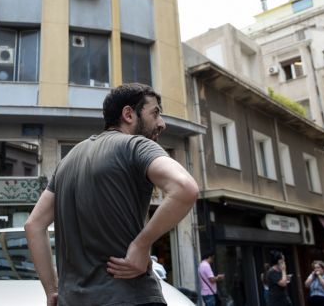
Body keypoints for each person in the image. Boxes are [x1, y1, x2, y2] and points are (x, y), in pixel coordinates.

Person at [25, 83, 199, 306]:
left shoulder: (67, 161)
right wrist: (142, 245)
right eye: (155, 113)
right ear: (129, 114)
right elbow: (185, 188)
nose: (161, 124)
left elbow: (33, 225)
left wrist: (52, 290)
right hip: (131, 297)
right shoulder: (137, 145)